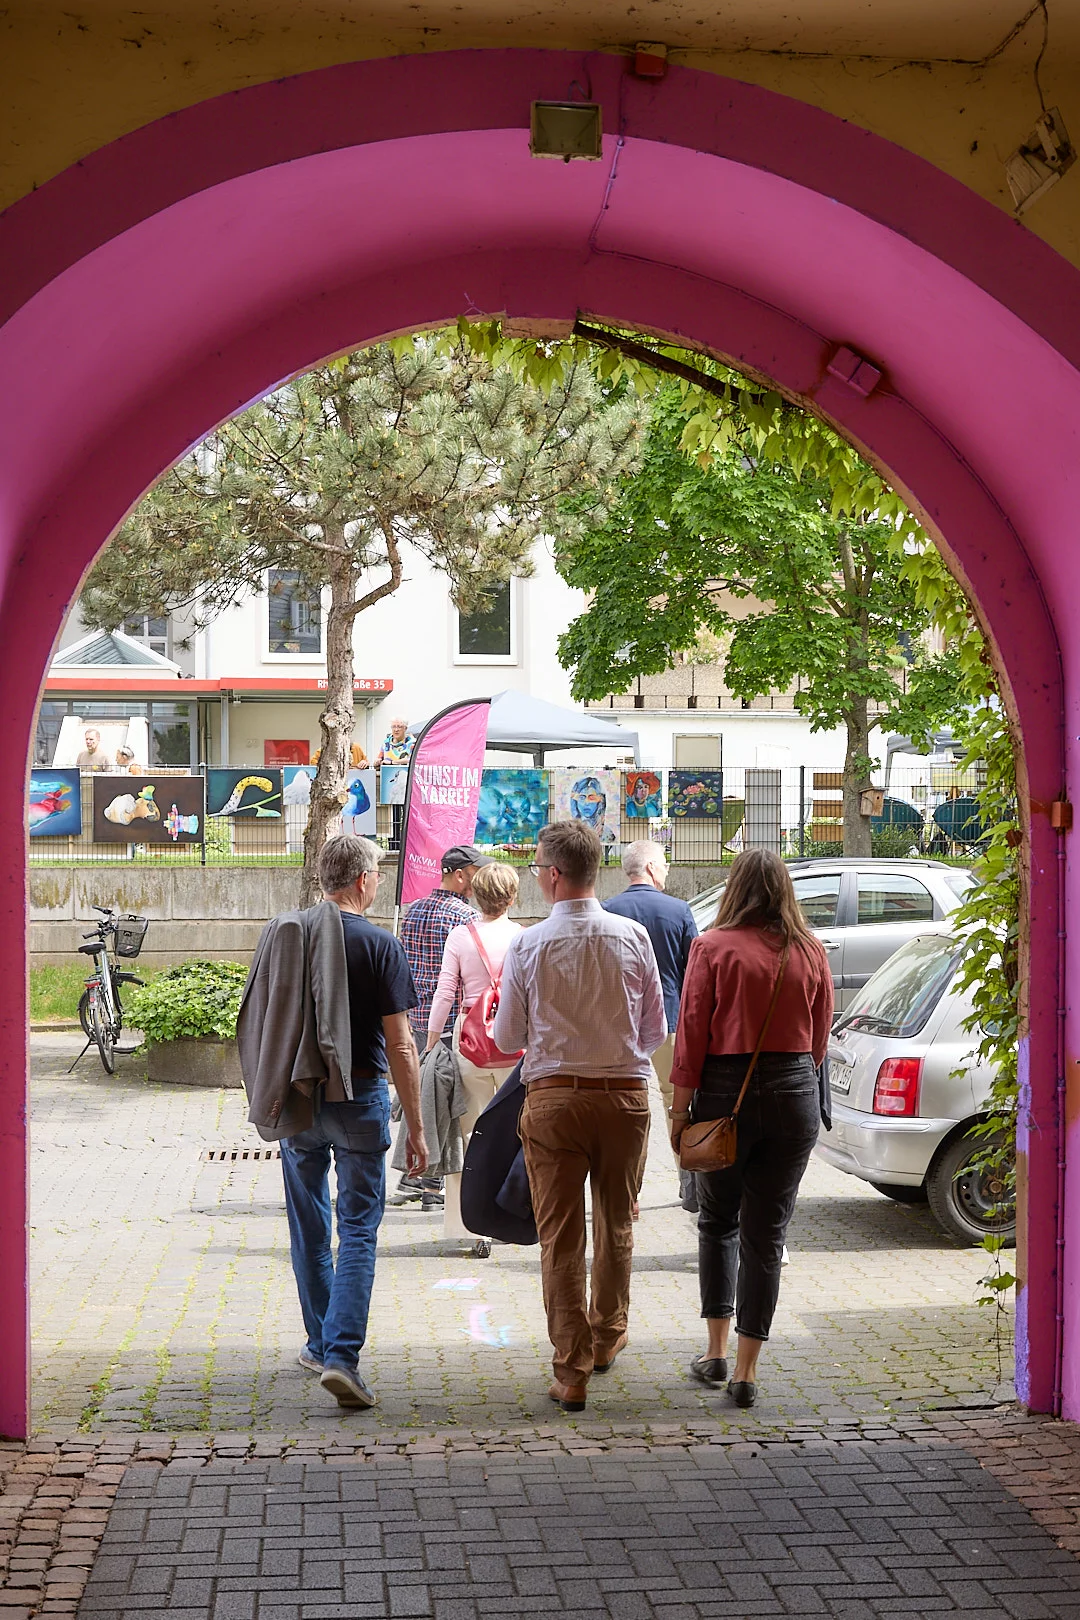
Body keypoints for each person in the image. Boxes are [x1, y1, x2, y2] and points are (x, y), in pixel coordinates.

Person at [240, 834, 427, 1411]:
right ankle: (342, 1357)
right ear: (364, 880)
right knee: (359, 1229)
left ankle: (320, 1346)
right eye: (378, 875)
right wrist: (418, 1126)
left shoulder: (286, 934)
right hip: (360, 1096)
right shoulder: (380, 944)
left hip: (297, 1098)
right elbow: (401, 1045)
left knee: (309, 1225)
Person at [493, 820, 665, 1413]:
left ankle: (571, 1371)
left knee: (561, 1236)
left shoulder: (529, 944)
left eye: (538, 867)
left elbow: (507, 1036)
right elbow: (653, 1031)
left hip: (554, 1100)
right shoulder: (633, 937)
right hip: (624, 1098)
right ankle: (608, 1336)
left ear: (554, 874)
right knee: (617, 1222)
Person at [668, 848, 833, 1410]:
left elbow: (691, 1036)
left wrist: (679, 1114)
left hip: (723, 1093)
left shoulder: (712, 947)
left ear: (734, 887)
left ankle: (714, 1352)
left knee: (718, 1221)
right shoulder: (810, 949)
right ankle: (746, 1371)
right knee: (768, 1234)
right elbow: (819, 1041)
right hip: (794, 1093)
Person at [426, 861, 522, 1241]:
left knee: (470, 1134)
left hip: (470, 1041)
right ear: (512, 897)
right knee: (515, 1132)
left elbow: (444, 992)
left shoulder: (460, 937)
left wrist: (432, 1041)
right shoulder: (524, 937)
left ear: (475, 895)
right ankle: (511, 1216)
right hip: (514, 1041)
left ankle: (470, 1226)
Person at [391, 843, 491, 1209]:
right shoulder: (465, 918)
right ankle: (430, 1183)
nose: (481, 880)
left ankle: (412, 1176)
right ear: (461, 875)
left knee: (423, 1095)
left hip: (417, 1019)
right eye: (477, 873)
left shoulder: (413, 911)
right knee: (446, 1102)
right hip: (451, 1023)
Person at [603, 839, 698, 1205]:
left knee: (626, 1105)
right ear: (652, 868)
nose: (667, 872)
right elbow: (694, 971)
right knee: (676, 1102)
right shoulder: (678, 910)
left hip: (621, 1025)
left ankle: (628, 1191)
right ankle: (687, 1182)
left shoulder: (608, 910)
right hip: (669, 1020)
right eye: (665, 865)